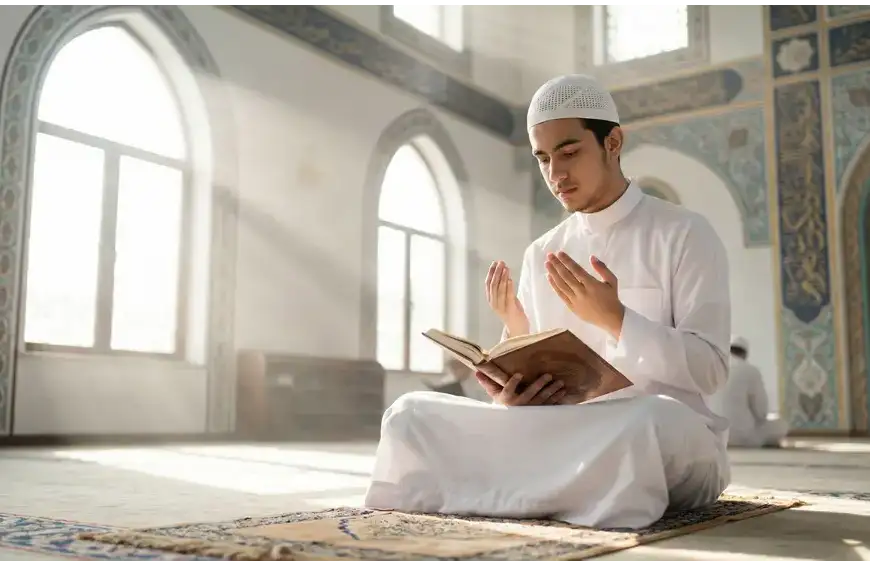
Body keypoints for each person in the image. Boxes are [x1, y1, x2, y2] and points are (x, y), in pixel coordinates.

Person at [364, 74, 732, 529]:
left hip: (662, 433)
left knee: (645, 421)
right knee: (409, 414)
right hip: (560, 435)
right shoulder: (541, 252)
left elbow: (712, 370)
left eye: (570, 153)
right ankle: (548, 493)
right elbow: (532, 391)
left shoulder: (685, 233)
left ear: (612, 142)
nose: (556, 174)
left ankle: (508, 490)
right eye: (542, 159)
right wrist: (509, 387)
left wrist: (617, 319)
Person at [710, 336, 788, 448]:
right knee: (781, 425)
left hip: (714, 436)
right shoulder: (750, 370)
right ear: (745, 354)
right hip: (742, 437)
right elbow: (761, 412)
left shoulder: (712, 367)